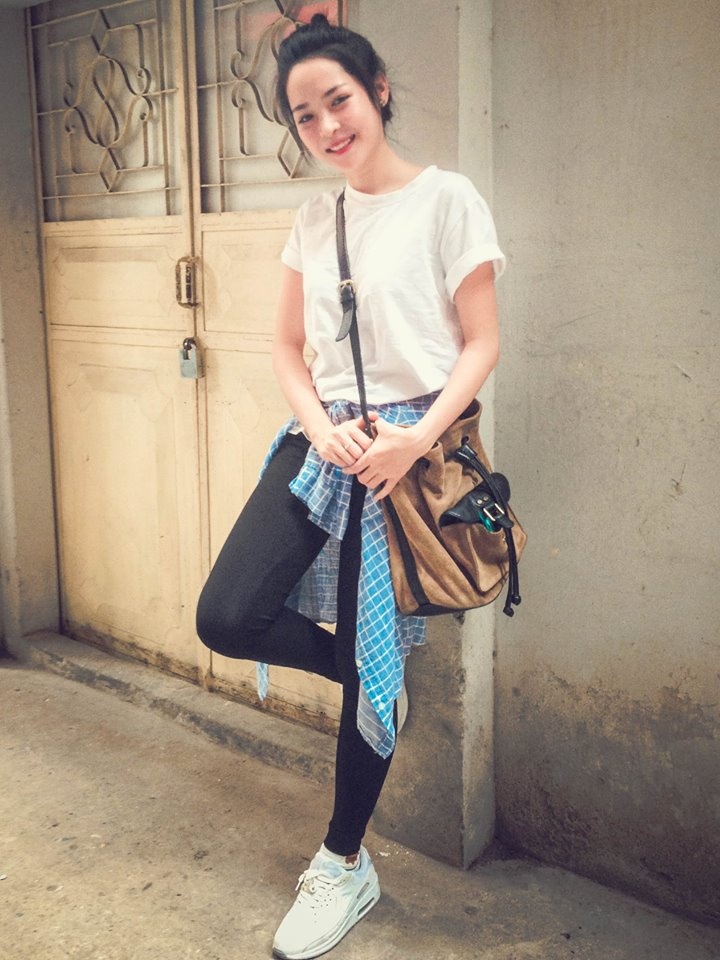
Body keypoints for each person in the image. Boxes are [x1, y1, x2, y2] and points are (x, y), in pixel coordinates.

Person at [195, 13, 505, 960]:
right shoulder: (314, 218)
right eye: (305, 116)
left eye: (338, 100)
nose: (327, 126)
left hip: (412, 451)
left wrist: (415, 439)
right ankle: (369, 678)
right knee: (227, 615)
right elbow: (288, 348)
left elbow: (483, 341)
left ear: (377, 90)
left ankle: (343, 861)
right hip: (323, 443)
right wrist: (320, 425)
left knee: (370, 664)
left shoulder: (448, 199)